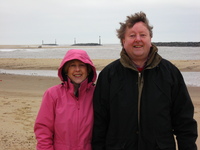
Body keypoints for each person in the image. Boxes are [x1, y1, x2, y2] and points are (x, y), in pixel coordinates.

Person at [92, 11, 198, 150]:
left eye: (143, 35)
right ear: (123, 41)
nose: (138, 39)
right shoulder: (109, 75)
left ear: (150, 39)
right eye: (132, 35)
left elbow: (184, 121)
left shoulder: (170, 73)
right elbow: (100, 123)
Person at [34, 49, 97, 150]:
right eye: (72, 65)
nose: (77, 69)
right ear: (66, 70)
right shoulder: (52, 94)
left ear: (88, 69)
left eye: (82, 65)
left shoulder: (97, 94)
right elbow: (43, 129)